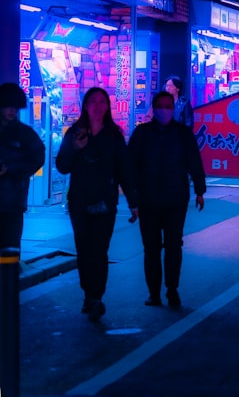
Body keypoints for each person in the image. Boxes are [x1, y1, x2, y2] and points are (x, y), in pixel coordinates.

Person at [55, 87, 138, 321]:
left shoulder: (114, 135)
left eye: (103, 102)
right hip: (80, 201)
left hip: (105, 200)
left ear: (108, 107)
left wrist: (134, 202)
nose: (98, 106)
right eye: (93, 101)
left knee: (99, 250)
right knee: (84, 249)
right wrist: (74, 148)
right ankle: (88, 294)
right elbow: (62, 165)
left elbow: (125, 170)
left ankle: (96, 296)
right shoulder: (75, 133)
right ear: (85, 105)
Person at [128, 91, 206, 308]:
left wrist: (200, 191)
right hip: (148, 201)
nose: (164, 110)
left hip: (175, 200)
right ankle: (154, 292)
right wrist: (132, 196)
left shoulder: (182, 133)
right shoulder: (142, 133)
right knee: (151, 249)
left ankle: (172, 289)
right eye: (160, 106)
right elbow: (130, 165)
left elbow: (194, 162)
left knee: (174, 246)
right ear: (154, 108)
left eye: (168, 106)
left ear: (173, 108)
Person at [0, 83, 46, 251]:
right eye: (7, 106)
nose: (11, 110)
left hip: (13, 201)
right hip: (14, 198)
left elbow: (38, 157)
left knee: (10, 249)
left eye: (14, 106)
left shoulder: (24, 133)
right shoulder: (24, 133)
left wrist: (11, 170)